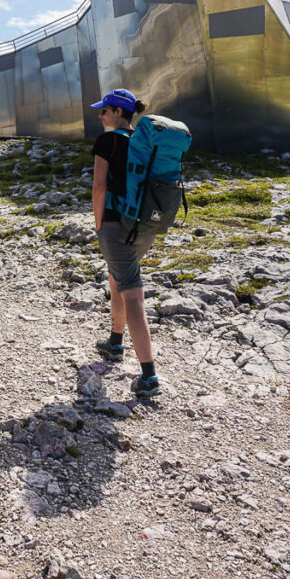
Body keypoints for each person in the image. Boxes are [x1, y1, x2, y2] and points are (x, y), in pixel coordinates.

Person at [91, 88, 161, 397]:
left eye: (105, 110)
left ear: (118, 112)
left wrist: (98, 223)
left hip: (115, 224)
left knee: (132, 292)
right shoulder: (143, 143)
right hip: (144, 226)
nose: (101, 115)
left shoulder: (108, 141)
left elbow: (99, 185)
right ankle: (115, 342)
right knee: (116, 276)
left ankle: (149, 377)